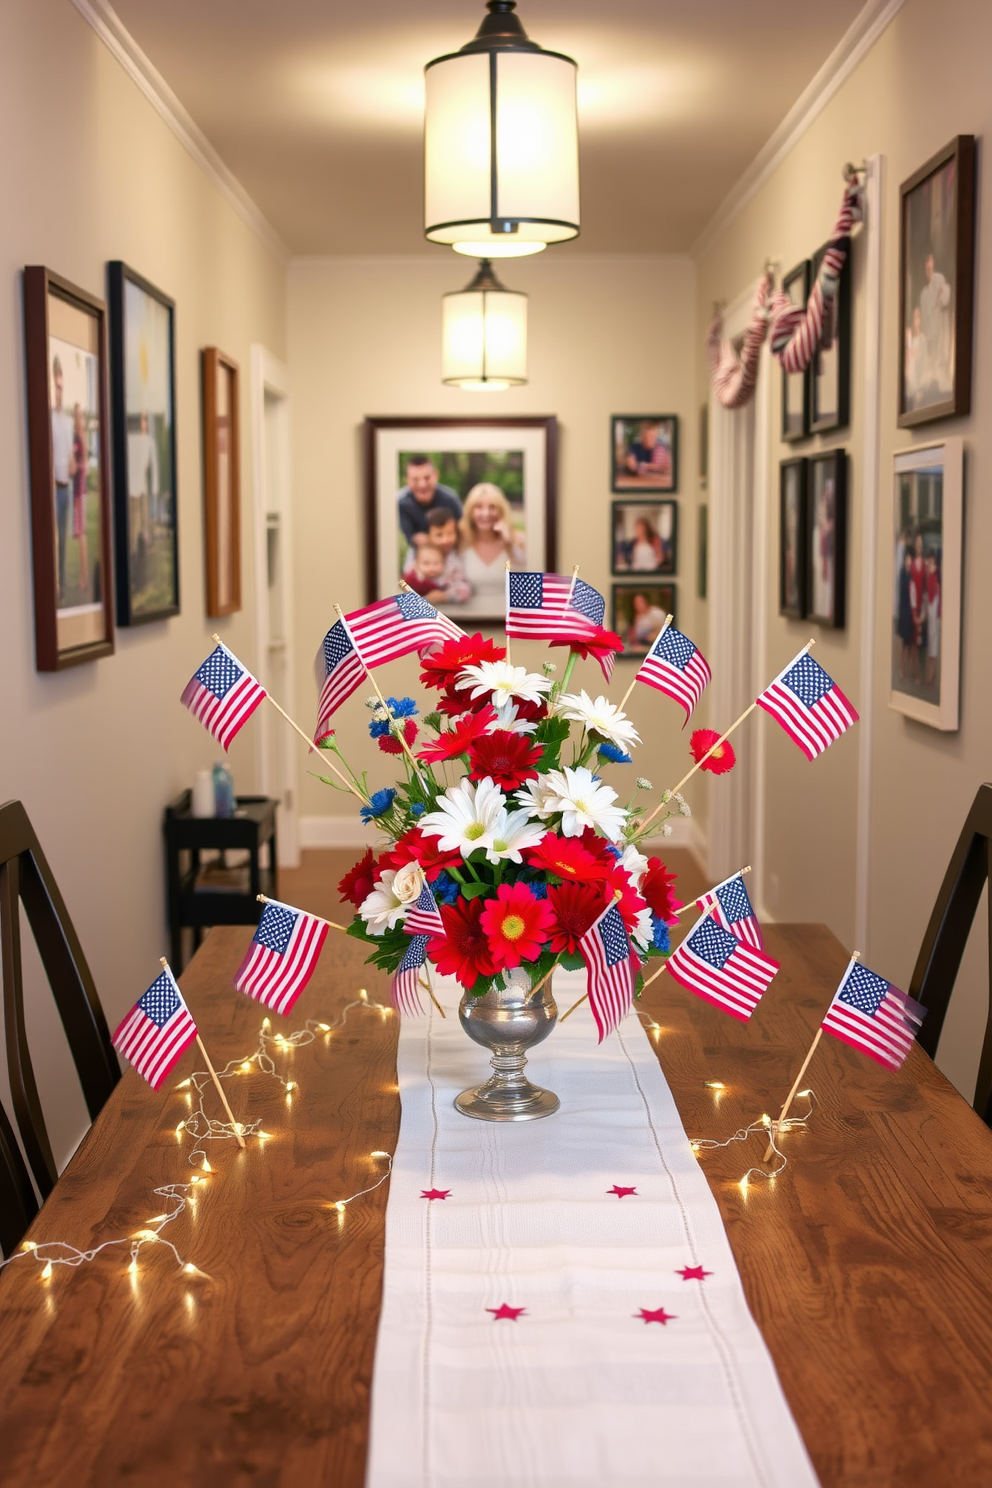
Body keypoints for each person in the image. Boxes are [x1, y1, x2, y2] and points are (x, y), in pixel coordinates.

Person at [457, 484, 526, 615]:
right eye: (479, 507)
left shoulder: (518, 540)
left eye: (492, 507)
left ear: (501, 511)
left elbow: (528, 584)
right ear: (470, 511)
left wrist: (509, 544)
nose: (486, 513)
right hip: (469, 619)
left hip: (510, 620)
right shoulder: (461, 542)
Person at [402, 506, 470, 604]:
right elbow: (405, 582)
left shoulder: (454, 559)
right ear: (428, 535)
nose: (445, 540)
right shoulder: (417, 553)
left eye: (450, 533)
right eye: (439, 535)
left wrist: (444, 596)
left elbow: (464, 589)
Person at [397, 456, 462, 555]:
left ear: (436, 475)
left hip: (452, 551)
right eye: (415, 479)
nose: (422, 485)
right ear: (407, 480)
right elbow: (411, 537)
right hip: (419, 552)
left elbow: (463, 529)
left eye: (427, 478)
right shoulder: (401, 502)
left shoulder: (450, 498)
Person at [50, 355, 75, 604]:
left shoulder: (66, 421)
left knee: (64, 540)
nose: (59, 392)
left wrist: (74, 463)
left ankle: (63, 586)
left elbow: (69, 454)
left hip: (66, 488)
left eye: (62, 388)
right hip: (53, 487)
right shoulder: (49, 419)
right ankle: (54, 587)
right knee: (54, 541)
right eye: (57, 387)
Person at [919, 253, 952, 396]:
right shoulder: (924, 293)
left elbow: (945, 293)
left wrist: (940, 297)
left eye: (930, 266)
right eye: (927, 268)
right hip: (929, 330)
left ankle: (939, 376)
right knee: (930, 355)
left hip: (938, 325)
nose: (929, 270)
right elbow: (924, 314)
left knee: (939, 352)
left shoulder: (939, 279)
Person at [72, 403, 89, 594]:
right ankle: (83, 575)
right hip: (78, 491)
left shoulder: (80, 438)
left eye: (79, 416)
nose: (78, 419)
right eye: (76, 416)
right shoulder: (77, 438)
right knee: (79, 535)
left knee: (81, 535)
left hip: (80, 492)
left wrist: (75, 466)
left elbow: (81, 466)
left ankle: (84, 576)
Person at [897, 549, 916, 682]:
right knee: (905, 644)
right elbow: (904, 593)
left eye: (910, 560)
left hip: (910, 613)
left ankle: (909, 669)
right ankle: (902, 668)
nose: (908, 562)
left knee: (910, 643)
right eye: (907, 560)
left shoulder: (911, 575)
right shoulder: (904, 575)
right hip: (905, 613)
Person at [904, 306, 927, 409]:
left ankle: (918, 394)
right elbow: (906, 350)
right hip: (910, 365)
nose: (917, 319)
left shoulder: (922, 337)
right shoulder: (908, 333)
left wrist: (918, 356)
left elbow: (924, 354)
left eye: (919, 316)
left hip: (918, 365)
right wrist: (912, 353)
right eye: (915, 316)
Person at [925, 551, 941, 686]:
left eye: (932, 564)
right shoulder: (928, 580)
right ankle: (931, 671)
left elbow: (938, 601)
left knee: (934, 643)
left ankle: (931, 671)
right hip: (930, 619)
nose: (929, 566)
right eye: (929, 563)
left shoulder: (936, 583)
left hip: (935, 619)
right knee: (930, 643)